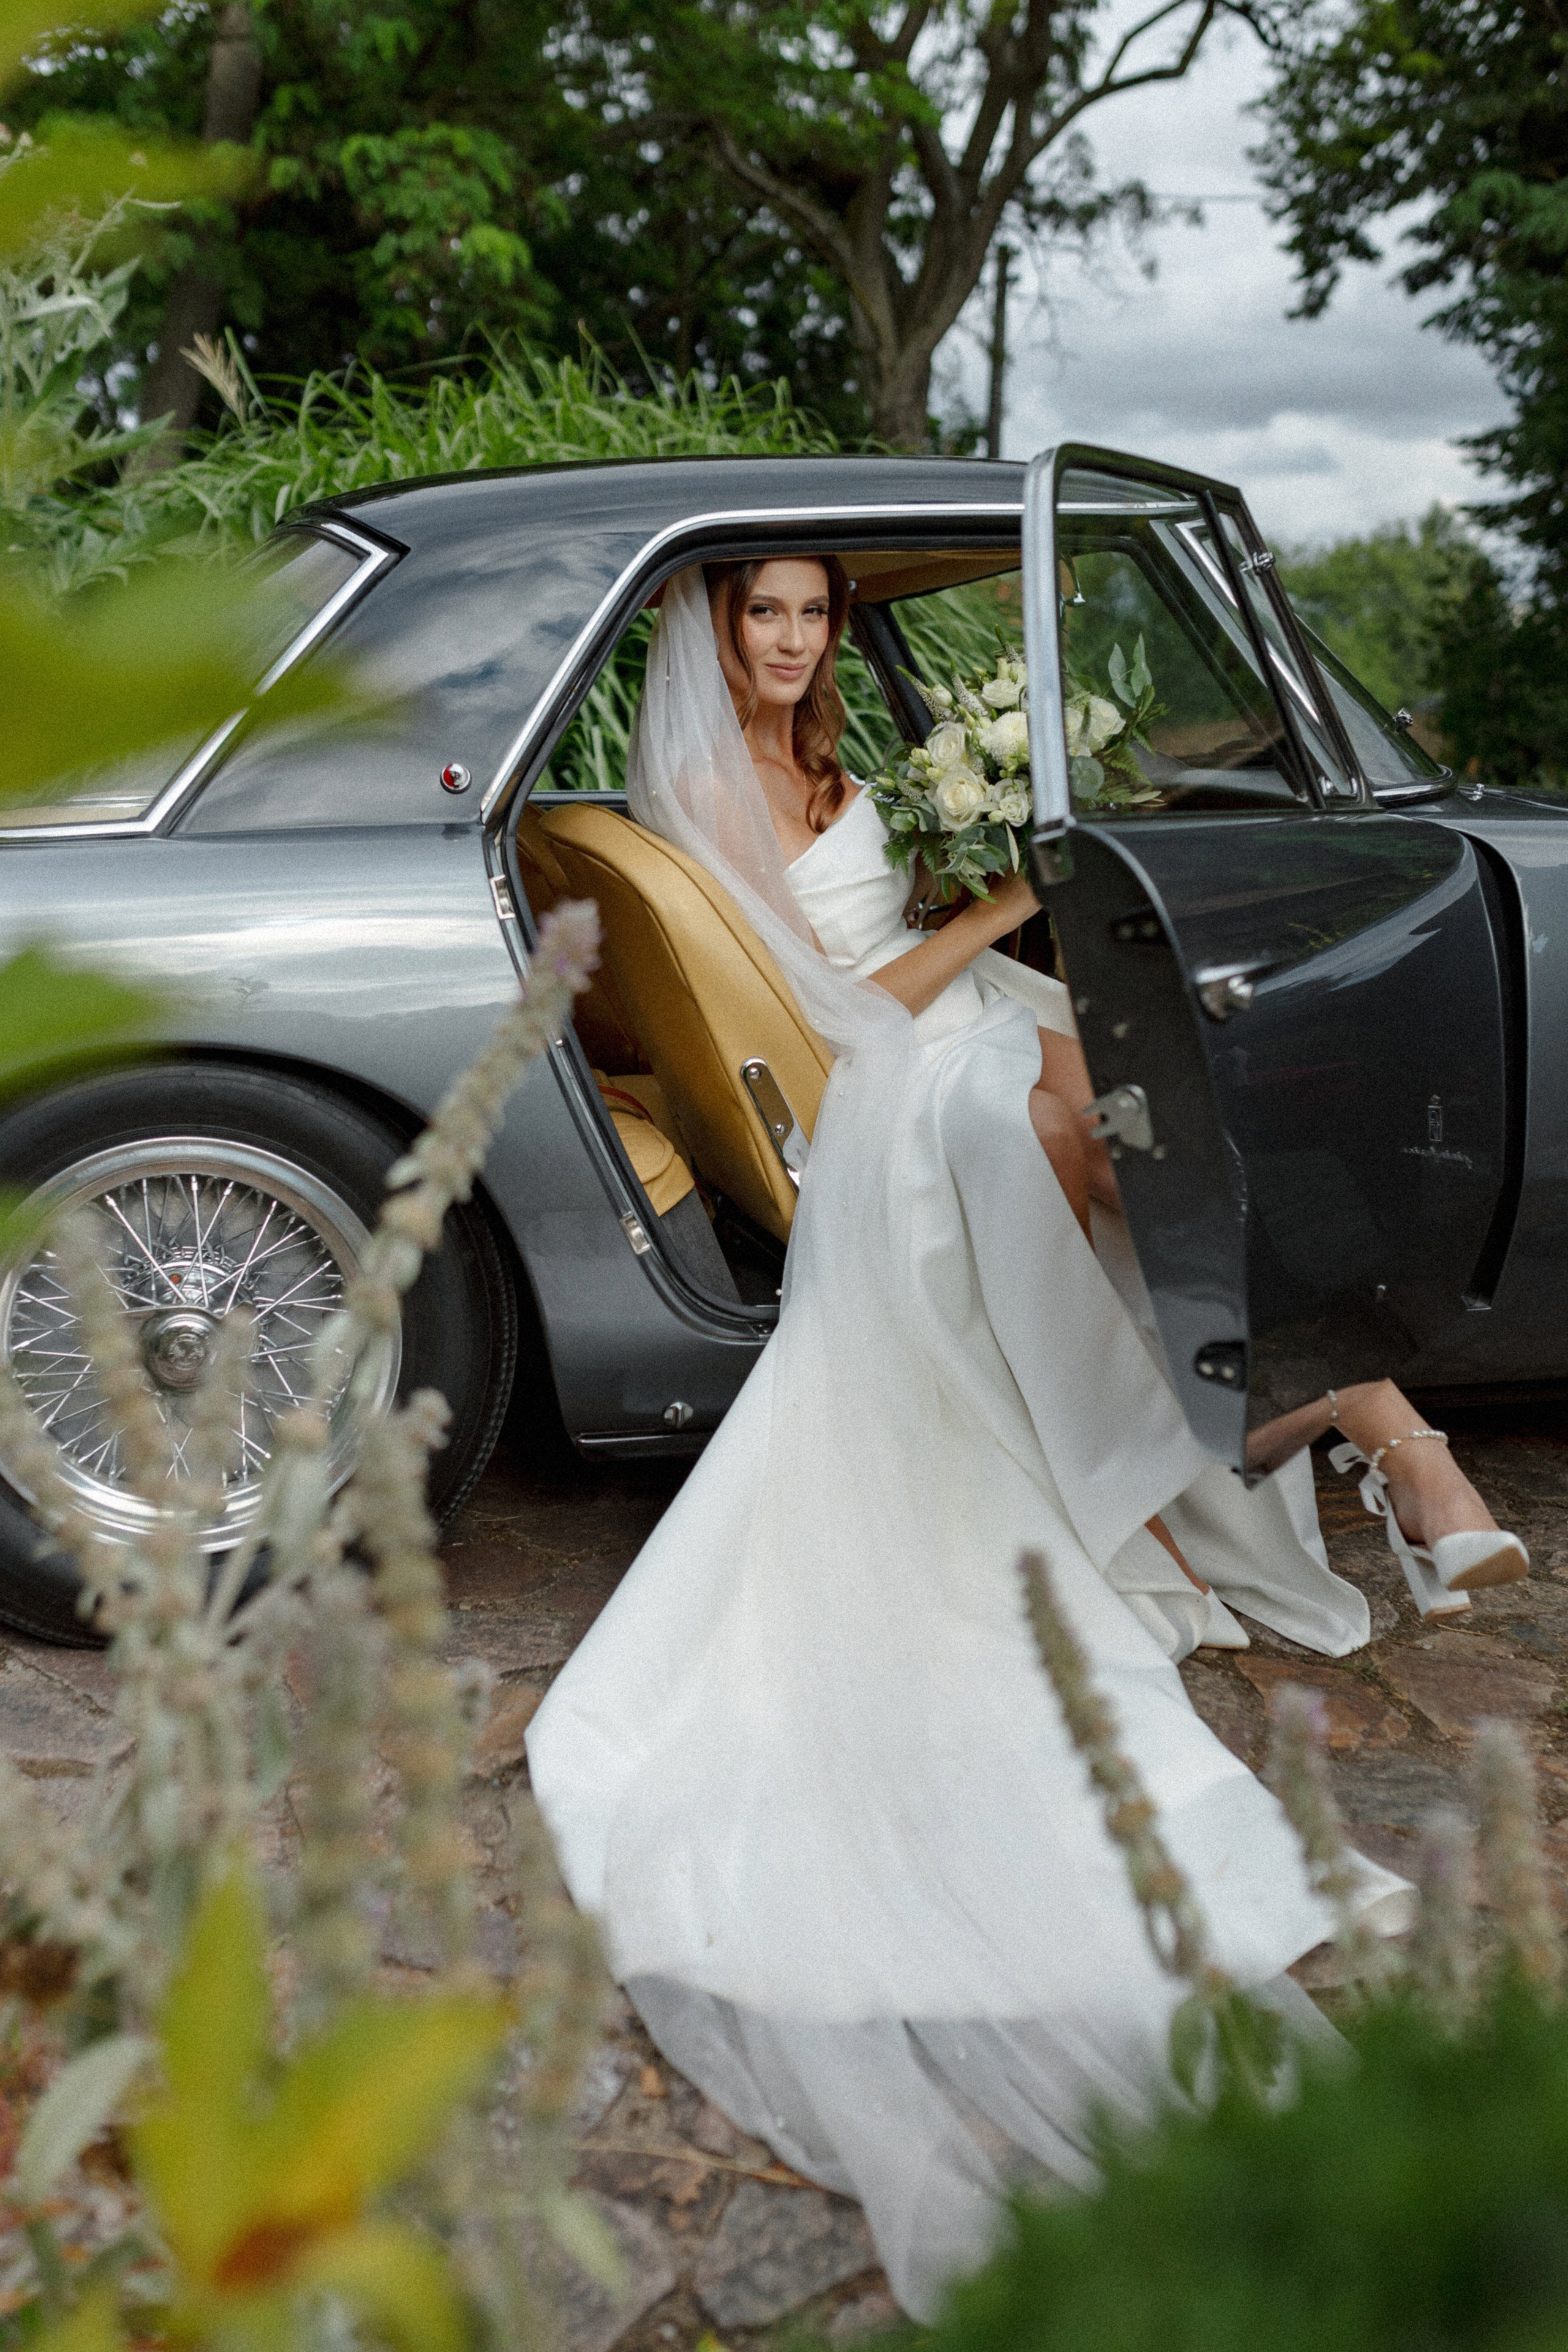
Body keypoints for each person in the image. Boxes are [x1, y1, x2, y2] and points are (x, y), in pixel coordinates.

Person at [526, 556, 1528, 2316]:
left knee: (1125, 1107)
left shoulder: (848, 770)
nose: (790, 644)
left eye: (812, 617)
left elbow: (916, 949)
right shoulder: (701, 789)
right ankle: (1371, 1438)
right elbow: (833, 1009)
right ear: (708, 635)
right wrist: (1003, 901)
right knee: (1062, 1117)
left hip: (946, 1025)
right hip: (868, 1073)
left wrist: (999, 886)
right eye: (762, 615)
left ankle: (1299, 1438)